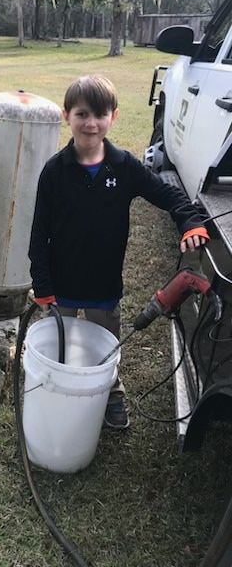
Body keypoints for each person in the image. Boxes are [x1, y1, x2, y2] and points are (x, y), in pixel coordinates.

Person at [28, 74, 209, 430]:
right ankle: (55, 390)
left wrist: (191, 222)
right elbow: (38, 233)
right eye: (82, 114)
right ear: (67, 116)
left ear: (114, 116)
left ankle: (112, 390)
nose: (91, 123)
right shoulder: (53, 172)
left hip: (103, 284)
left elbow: (167, 194)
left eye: (100, 114)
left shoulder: (124, 167)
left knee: (106, 346)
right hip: (60, 282)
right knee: (58, 344)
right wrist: (42, 283)